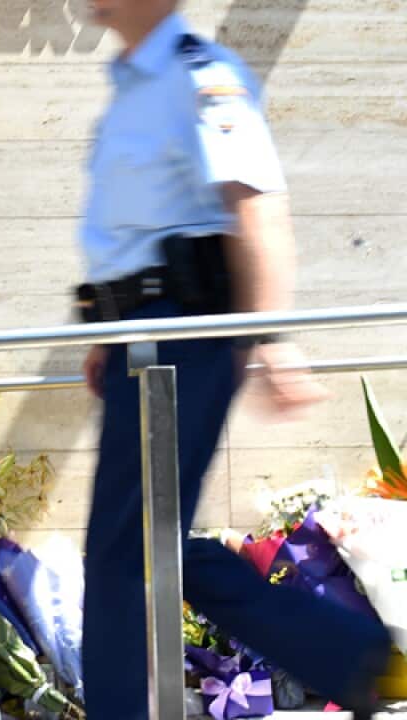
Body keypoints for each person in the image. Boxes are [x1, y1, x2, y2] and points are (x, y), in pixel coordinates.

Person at [75, 0, 391, 717]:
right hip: (138, 336)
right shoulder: (131, 85)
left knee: (125, 549)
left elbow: (256, 208)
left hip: (184, 334)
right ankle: (342, 652)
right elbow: (131, 234)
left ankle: (338, 652)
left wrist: (271, 337)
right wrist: (107, 335)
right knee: (147, 542)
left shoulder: (202, 77)